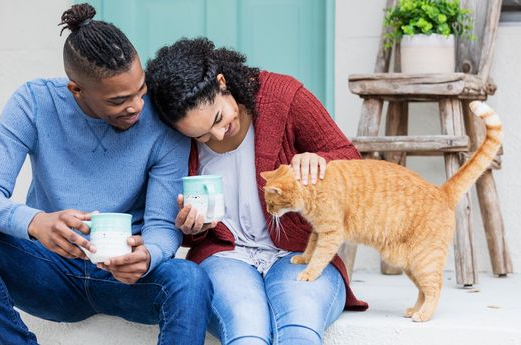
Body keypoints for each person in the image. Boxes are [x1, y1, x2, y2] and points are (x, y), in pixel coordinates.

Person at [0, 5, 212, 345]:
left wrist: (148, 254)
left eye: (141, 90)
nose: (136, 106)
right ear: (76, 90)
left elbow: (162, 227)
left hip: (124, 279)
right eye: (120, 99)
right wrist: (35, 223)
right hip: (47, 271)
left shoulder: (161, 121)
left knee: (190, 280)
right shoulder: (33, 102)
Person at [146, 38, 368, 345]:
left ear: (221, 83)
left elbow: (354, 167)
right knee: (246, 330)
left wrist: (320, 161)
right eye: (201, 136)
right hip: (226, 258)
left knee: (298, 327)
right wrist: (191, 228)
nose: (217, 135)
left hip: (299, 252)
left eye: (218, 119)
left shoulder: (285, 97)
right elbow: (186, 231)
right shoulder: (177, 140)